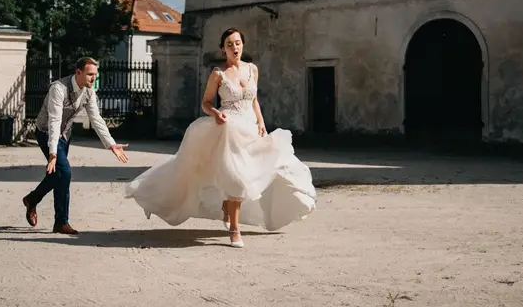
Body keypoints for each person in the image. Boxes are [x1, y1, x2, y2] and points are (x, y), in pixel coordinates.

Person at [123, 28, 316, 248]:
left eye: (237, 43)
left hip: (251, 129)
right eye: (229, 44)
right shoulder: (218, 73)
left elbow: (253, 100)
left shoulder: (252, 69)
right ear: (223, 48)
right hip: (228, 130)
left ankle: (231, 208)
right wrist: (216, 113)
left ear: (243, 44)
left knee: (271, 167)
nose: (235, 47)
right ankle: (235, 229)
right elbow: (205, 102)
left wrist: (261, 121)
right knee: (237, 177)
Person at [22, 56, 130, 235]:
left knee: (59, 175)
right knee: (64, 172)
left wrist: (111, 144)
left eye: (95, 74)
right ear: (78, 72)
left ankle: (34, 201)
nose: (93, 78)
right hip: (46, 132)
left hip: (65, 134)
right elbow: (54, 121)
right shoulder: (59, 88)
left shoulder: (89, 92)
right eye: (90, 74)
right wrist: (53, 152)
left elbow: (96, 119)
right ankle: (61, 221)